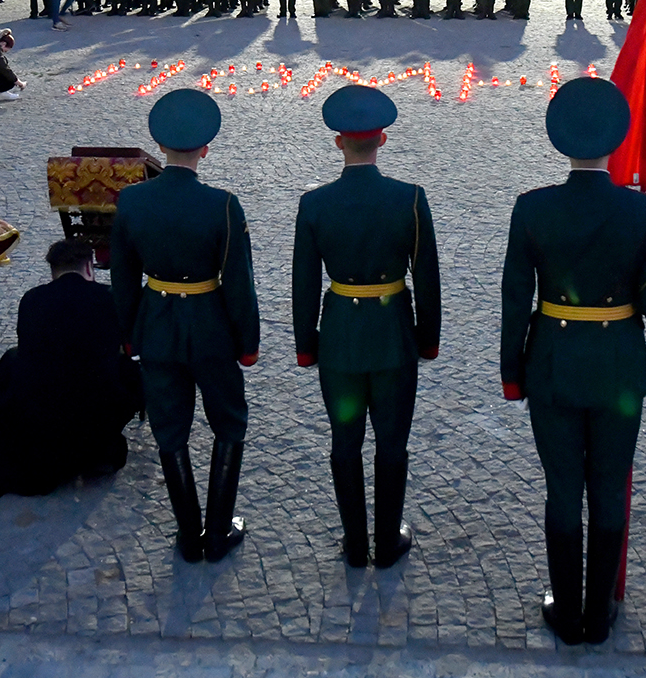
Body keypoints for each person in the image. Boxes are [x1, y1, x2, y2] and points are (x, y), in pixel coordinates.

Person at [501, 78, 646, 645]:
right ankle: (598, 613)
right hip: (619, 367)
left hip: (551, 361)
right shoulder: (643, 211)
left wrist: (512, 373)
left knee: (561, 488)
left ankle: (567, 608)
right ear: (615, 141)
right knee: (607, 487)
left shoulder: (532, 207)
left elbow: (513, 298)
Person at [292, 85, 442, 569]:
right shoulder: (410, 199)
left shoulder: (314, 204)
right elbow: (427, 276)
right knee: (392, 442)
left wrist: (305, 344)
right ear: (382, 140)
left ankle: (355, 542)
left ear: (339, 143)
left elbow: (303, 284)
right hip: (393, 333)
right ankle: (386, 541)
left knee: (344, 441)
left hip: (338, 336)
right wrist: (428, 338)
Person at [110, 89, 260, 563]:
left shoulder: (131, 202)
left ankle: (187, 531)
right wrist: (247, 341)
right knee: (229, 423)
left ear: (160, 148)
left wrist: (129, 333)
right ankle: (217, 530)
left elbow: (122, 278)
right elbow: (239, 282)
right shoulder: (223, 204)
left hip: (156, 324)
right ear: (205, 149)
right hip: (211, 324)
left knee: (169, 428)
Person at [0, 239, 143, 513]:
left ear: (53, 271)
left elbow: (30, 349)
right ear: (89, 266)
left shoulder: (32, 299)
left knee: (13, 360)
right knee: (126, 369)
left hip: (43, 408)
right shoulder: (109, 297)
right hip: (93, 406)